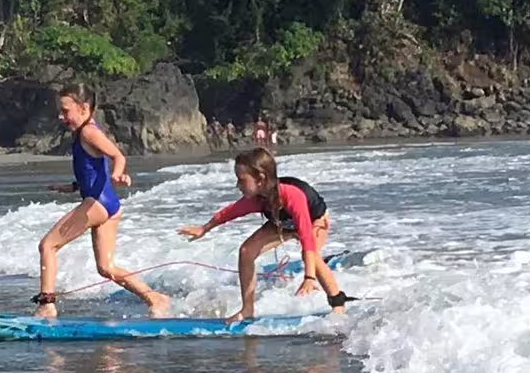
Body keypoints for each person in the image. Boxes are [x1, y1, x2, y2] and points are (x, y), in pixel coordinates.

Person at [37, 83, 170, 318]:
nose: (62, 116)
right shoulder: (84, 133)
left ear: (84, 107)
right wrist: (73, 187)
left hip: (98, 203)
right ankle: (155, 298)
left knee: (48, 246)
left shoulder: (89, 132)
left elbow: (117, 155)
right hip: (109, 205)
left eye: (66, 110)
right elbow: (94, 171)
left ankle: (47, 305)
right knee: (106, 268)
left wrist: (119, 172)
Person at [178, 147, 353, 323]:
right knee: (246, 251)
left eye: (241, 180)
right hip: (282, 223)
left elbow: (307, 237)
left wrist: (309, 277)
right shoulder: (257, 198)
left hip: (315, 220)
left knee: (312, 256)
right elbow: (230, 212)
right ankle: (247, 309)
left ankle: (338, 303)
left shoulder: (292, 195)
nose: (237, 185)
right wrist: (204, 228)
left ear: (260, 179)